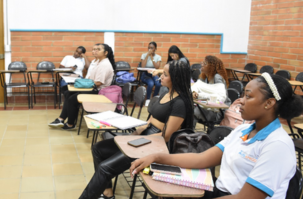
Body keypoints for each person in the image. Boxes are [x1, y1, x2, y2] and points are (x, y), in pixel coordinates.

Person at [130, 73, 303, 199]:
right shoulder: (243, 130)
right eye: (243, 95)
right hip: (220, 192)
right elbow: (203, 159)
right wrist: (158, 157)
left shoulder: (277, 145)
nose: (240, 101)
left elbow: (245, 198)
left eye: (248, 96)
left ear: (269, 103)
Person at [79, 60, 194, 199]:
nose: (161, 77)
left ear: (176, 78)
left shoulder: (180, 103)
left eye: (165, 74)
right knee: (98, 148)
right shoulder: (166, 94)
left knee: (105, 168)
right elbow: (154, 116)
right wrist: (141, 127)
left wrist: (135, 139)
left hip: (155, 143)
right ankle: (107, 192)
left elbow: (166, 136)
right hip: (146, 135)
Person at [48, 44, 115, 130]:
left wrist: (82, 84)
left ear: (106, 52)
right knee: (69, 93)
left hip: (98, 91)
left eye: (98, 49)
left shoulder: (104, 64)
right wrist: (82, 83)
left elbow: (98, 83)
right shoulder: (98, 62)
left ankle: (70, 124)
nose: (95, 51)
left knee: (72, 98)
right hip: (92, 87)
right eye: (93, 49)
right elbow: (91, 78)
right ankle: (61, 119)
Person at [192, 55, 231, 127]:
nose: (202, 64)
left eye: (205, 63)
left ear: (212, 67)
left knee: (193, 112)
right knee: (189, 109)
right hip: (207, 106)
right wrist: (195, 92)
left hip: (219, 110)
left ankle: (189, 134)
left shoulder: (217, 77)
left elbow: (220, 99)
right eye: (202, 62)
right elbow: (196, 86)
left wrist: (200, 95)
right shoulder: (204, 76)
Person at [140, 42, 161, 106]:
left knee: (158, 83)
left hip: (154, 74)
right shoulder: (143, 55)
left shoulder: (158, 57)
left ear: (155, 49)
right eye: (149, 47)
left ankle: (154, 99)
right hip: (145, 74)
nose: (150, 49)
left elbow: (157, 67)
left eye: (152, 48)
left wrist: (152, 58)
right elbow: (143, 66)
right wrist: (147, 56)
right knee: (151, 83)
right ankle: (148, 99)